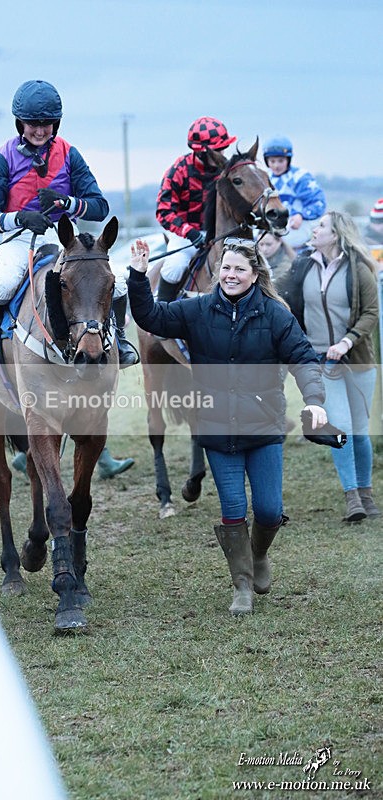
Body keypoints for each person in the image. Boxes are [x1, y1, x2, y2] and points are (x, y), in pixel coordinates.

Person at [127, 237, 327, 616]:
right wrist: (138, 277)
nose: (231, 275)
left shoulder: (275, 314)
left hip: (264, 425)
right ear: (217, 272)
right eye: (226, 268)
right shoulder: (198, 309)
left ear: (254, 275)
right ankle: (242, 586)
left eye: (239, 269)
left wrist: (315, 400)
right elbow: (151, 318)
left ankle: (258, 553)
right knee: (233, 507)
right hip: (217, 430)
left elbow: (303, 357)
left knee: (269, 510)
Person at [0, 79, 137, 370]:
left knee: (116, 282)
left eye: (47, 123)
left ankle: (119, 340)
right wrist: (19, 218)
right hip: (18, 239)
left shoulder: (70, 154)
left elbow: (99, 207)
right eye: (33, 124)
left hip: (66, 238)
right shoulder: (2, 159)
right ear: (20, 123)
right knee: (2, 284)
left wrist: (67, 202)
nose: (41, 130)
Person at [277, 211, 380, 523]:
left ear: (336, 234)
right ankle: (352, 498)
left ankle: (367, 493)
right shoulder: (303, 264)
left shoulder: (359, 267)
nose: (315, 229)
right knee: (341, 428)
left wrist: (347, 342)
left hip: (358, 359)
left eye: (321, 225)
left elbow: (371, 313)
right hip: (321, 360)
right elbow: (279, 293)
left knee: (360, 432)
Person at [155, 116, 237, 303]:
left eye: (223, 149)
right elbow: (163, 211)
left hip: (221, 233)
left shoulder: (227, 171)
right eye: (217, 151)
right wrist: (190, 232)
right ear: (201, 153)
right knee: (174, 268)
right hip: (186, 234)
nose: (222, 155)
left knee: (259, 263)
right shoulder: (179, 170)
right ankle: (162, 316)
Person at [263, 136, 326, 251]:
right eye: (272, 161)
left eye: (280, 161)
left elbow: (319, 203)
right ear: (267, 161)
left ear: (288, 160)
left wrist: (302, 215)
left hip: (298, 245)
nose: (276, 166)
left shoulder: (300, 178)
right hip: (269, 246)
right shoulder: (263, 178)